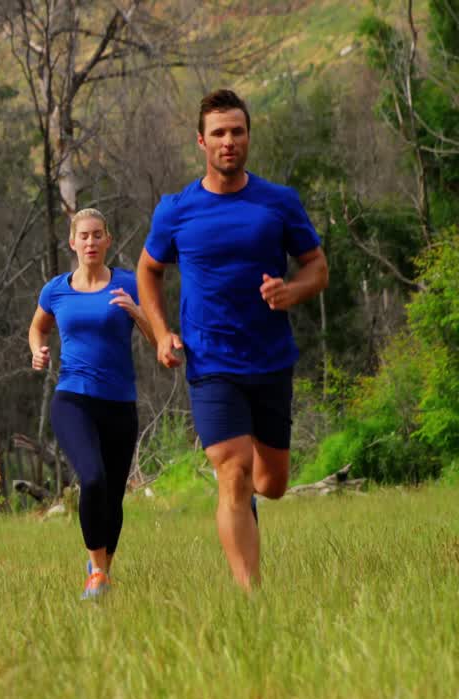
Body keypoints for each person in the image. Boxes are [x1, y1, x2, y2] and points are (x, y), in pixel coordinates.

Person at [136, 89, 328, 590]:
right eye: (218, 133)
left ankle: (254, 509)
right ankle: (250, 596)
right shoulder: (176, 210)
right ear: (201, 141)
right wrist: (160, 334)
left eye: (237, 132)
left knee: (272, 483)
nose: (228, 141)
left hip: (269, 358)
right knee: (233, 473)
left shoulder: (278, 202)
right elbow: (148, 270)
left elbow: (317, 268)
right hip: (210, 360)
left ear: (248, 137)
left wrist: (292, 291)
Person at [29, 208, 156, 599]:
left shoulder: (128, 283)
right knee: (93, 479)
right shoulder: (56, 289)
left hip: (119, 402)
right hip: (73, 399)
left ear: (108, 240)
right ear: (72, 242)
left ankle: (102, 570)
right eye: (83, 236)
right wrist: (37, 351)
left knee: (113, 494)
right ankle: (96, 573)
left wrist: (136, 312)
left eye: (97, 235)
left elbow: (159, 338)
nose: (90, 242)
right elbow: (38, 326)